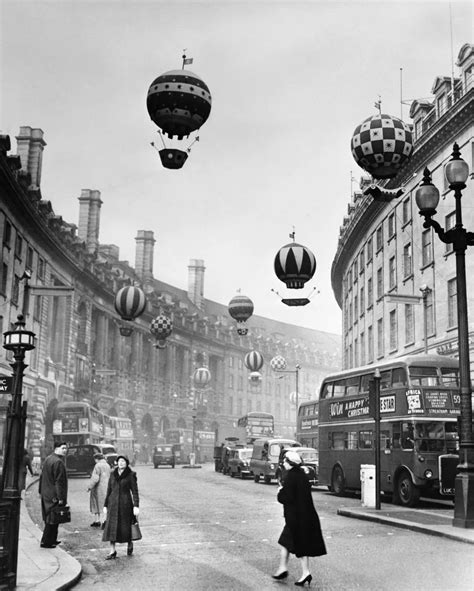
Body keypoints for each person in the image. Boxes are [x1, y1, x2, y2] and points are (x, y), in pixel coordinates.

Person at [273, 450, 326, 587]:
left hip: (296, 519)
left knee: (296, 544)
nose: (283, 464)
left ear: (290, 463)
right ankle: (284, 569)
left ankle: (301, 572)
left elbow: (288, 498)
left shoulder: (291, 477)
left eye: (285, 461)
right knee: (289, 542)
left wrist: (280, 493)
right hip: (304, 517)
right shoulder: (302, 475)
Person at [102, 455, 139, 559]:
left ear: (127, 463)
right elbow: (109, 490)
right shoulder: (113, 474)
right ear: (116, 463)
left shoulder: (131, 475)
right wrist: (105, 505)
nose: (121, 463)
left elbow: (135, 492)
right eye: (119, 461)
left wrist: (136, 506)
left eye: (123, 461)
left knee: (125, 527)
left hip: (125, 504)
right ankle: (112, 551)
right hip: (112, 504)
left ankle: (129, 543)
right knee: (111, 528)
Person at [38, 441, 68, 549]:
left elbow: (42, 477)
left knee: (51, 518)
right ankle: (46, 542)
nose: (65, 450)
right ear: (56, 448)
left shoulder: (48, 459)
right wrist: (61, 498)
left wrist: (40, 491)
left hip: (46, 493)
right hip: (54, 495)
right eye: (63, 448)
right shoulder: (58, 462)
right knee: (52, 519)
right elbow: (59, 482)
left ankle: (52, 540)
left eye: (66, 448)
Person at [87, 453, 111, 528]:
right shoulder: (107, 465)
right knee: (104, 504)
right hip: (106, 487)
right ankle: (105, 520)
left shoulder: (97, 465)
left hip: (98, 488)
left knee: (96, 504)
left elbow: (95, 478)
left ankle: (97, 520)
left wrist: (89, 487)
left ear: (96, 459)